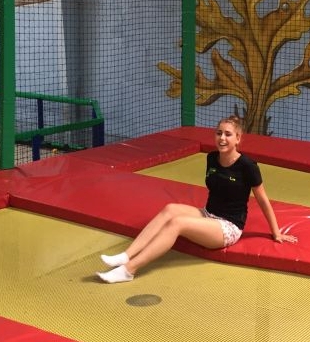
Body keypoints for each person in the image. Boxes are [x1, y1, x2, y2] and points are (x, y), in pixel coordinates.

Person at [97, 115, 298, 283]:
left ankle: (129, 270)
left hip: (227, 227)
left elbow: (263, 200)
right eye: (219, 133)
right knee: (170, 209)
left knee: (177, 223)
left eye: (228, 134)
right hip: (207, 214)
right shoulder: (211, 158)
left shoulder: (248, 166)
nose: (222, 138)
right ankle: (126, 255)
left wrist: (276, 232)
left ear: (238, 138)